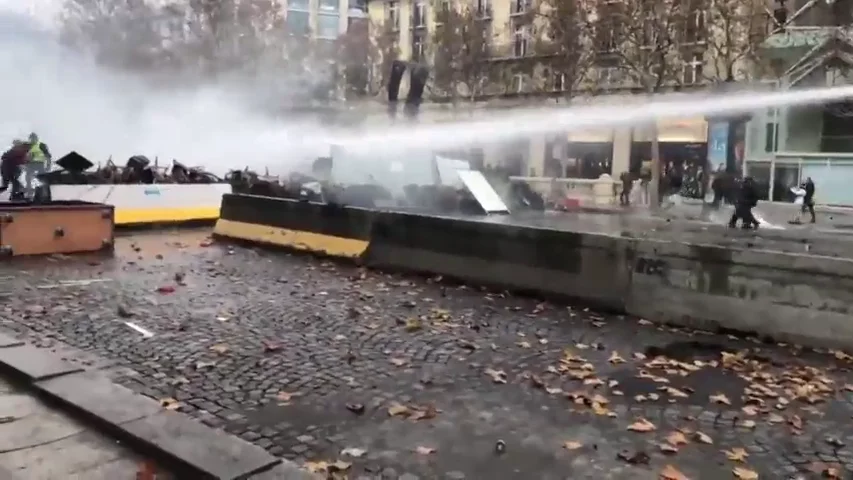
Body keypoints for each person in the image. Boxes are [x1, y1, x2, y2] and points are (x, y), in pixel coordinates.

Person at [24, 132, 51, 197]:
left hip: (39, 164)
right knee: (28, 178)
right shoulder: (27, 146)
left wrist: (48, 165)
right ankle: (29, 192)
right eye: (31, 138)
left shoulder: (41, 145)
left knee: (43, 179)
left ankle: (45, 193)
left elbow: (47, 156)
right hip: (30, 164)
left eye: (34, 138)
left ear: (37, 138)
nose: (32, 140)